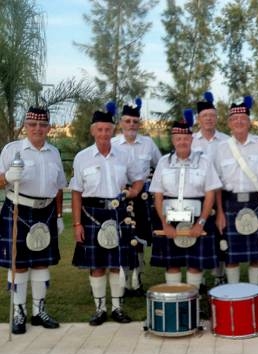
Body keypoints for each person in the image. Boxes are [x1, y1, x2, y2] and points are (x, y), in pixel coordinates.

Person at [69, 103, 144, 326]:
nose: (104, 134)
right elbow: (76, 193)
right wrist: (76, 224)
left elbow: (139, 178)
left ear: (113, 131)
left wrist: (134, 191)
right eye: (99, 129)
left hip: (118, 213)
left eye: (107, 129)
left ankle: (118, 308)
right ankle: (100, 309)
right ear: (93, 131)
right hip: (91, 214)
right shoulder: (82, 157)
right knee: (97, 265)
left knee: (116, 263)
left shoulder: (124, 155)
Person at [0, 107, 66, 334]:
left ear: (49, 127)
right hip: (18, 209)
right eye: (32, 124)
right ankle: (19, 312)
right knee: (18, 264)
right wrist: (7, 177)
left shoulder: (54, 152)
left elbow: (58, 188)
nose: (37, 129)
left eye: (42, 125)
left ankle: (39, 311)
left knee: (41, 263)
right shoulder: (12, 150)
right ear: (25, 125)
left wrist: (58, 216)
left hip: (46, 211)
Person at [149, 110, 222, 288]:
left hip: (196, 217)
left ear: (191, 140)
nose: (182, 142)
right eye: (178, 139)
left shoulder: (204, 162)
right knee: (172, 264)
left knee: (195, 265)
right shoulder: (163, 162)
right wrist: (164, 224)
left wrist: (201, 223)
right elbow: (157, 194)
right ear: (173, 141)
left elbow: (210, 194)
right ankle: (176, 302)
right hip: (169, 217)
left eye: (185, 138)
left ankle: (193, 303)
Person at [214, 96, 258, 285]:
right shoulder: (221, 148)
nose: (239, 122)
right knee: (231, 257)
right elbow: (215, 184)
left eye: (243, 118)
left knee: (256, 256)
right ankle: (234, 293)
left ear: (249, 122)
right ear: (229, 123)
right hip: (229, 203)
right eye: (235, 119)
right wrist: (220, 213)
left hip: (257, 202)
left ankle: (254, 291)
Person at [111, 98, 161, 297]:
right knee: (120, 238)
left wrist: (152, 187)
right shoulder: (113, 144)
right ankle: (122, 281)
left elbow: (160, 166)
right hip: (119, 197)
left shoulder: (148, 144)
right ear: (121, 123)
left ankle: (137, 280)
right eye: (128, 121)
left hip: (142, 197)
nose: (131, 125)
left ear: (139, 123)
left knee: (139, 239)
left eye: (135, 121)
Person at [192, 91, 229, 285]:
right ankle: (202, 278)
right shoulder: (190, 141)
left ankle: (219, 275)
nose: (209, 119)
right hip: (198, 195)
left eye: (212, 116)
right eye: (205, 116)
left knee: (220, 233)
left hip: (222, 193)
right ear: (199, 119)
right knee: (202, 235)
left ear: (216, 118)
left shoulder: (226, 140)